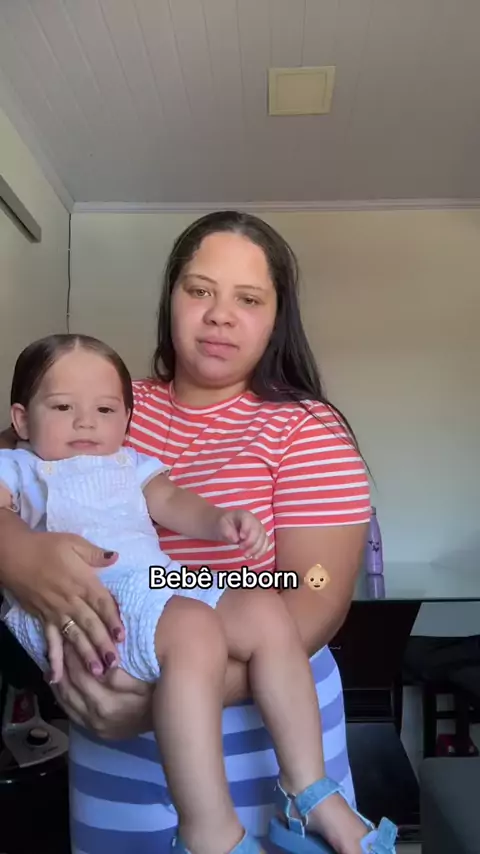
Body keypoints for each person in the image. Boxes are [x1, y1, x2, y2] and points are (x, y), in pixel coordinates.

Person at [0, 211, 385, 854]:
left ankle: (305, 796)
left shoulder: (307, 431)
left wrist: (169, 695)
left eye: (249, 299)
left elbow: (315, 591)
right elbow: (17, 476)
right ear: (171, 297)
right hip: (111, 723)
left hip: (262, 731)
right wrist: (17, 552)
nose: (220, 315)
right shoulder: (104, 401)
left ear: (277, 317)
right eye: (200, 289)